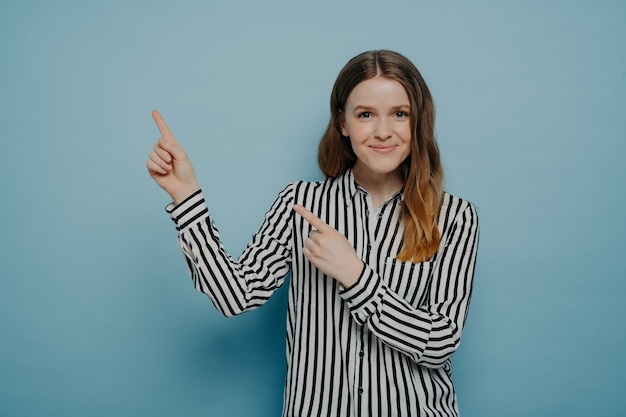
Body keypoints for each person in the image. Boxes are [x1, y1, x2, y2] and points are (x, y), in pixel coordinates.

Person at [147, 50, 479, 417]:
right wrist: (186, 195)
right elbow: (233, 296)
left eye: (400, 114)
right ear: (343, 123)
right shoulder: (300, 204)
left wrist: (355, 276)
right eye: (365, 114)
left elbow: (440, 341)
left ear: (418, 122)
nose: (383, 131)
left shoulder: (454, 217)